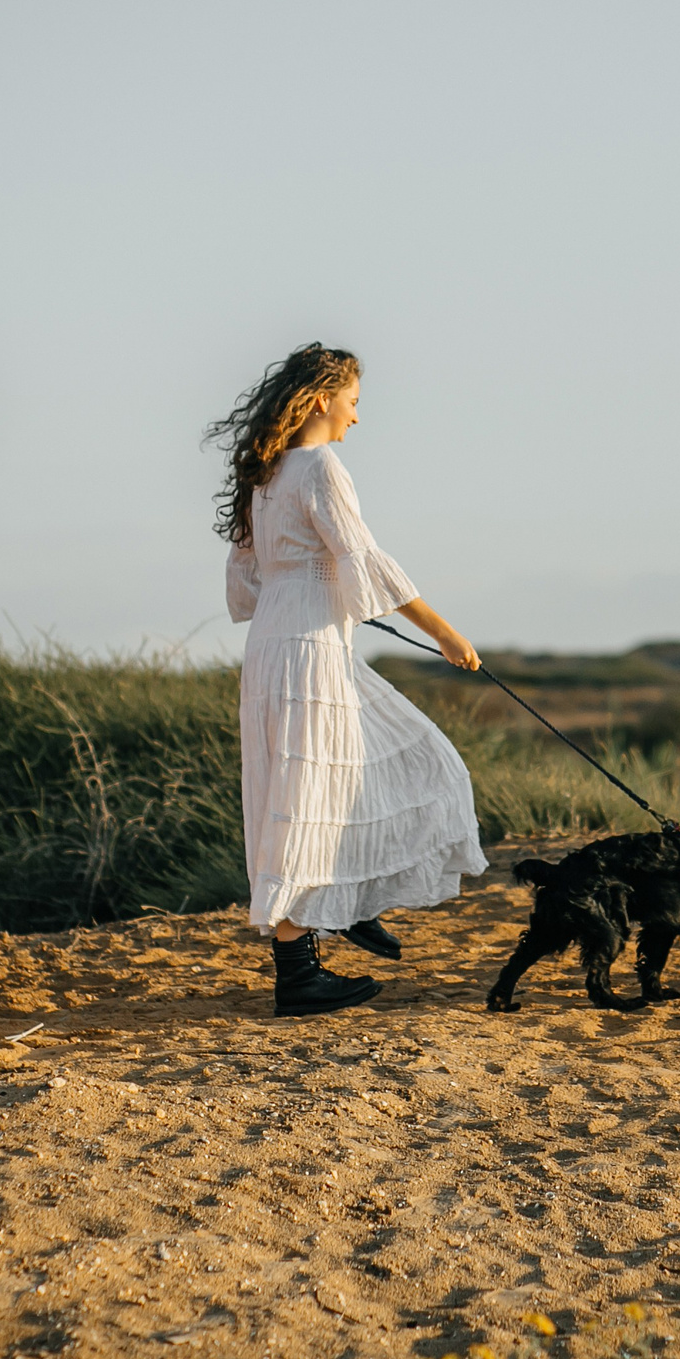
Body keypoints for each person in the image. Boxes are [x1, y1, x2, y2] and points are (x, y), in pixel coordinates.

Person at [211, 343, 489, 1017]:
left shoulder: (266, 473)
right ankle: (300, 973)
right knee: (324, 788)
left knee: (321, 783)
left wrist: (316, 593)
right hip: (307, 650)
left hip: (275, 645)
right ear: (320, 400)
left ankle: (349, 902)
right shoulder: (318, 466)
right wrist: (445, 633)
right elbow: (363, 556)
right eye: (353, 402)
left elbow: (252, 575)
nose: (357, 417)